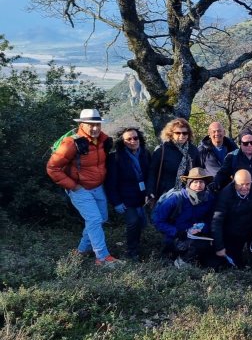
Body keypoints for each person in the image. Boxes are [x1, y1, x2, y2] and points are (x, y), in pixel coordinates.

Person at [47, 108, 121, 266]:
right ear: (81, 124)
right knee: (94, 219)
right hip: (79, 188)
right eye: (90, 125)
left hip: (97, 186)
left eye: (97, 124)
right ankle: (102, 257)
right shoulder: (71, 143)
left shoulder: (103, 140)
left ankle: (81, 251)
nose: (94, 128)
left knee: (101, 219)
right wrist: (73, 186)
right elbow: (52, 168)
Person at [211, 169, 252, 267]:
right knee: (233, 264)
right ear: (234, 183)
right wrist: (219, 247)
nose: (245, 187)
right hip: (233, 231)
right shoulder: (225, 194)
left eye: (247, 184)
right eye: (241, 184)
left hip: (251, 225)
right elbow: (217, 222)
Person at [152, 167, 216, 265]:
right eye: (195, 182)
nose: (199, 185)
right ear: (189, 183)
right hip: (174, 236)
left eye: (201, 182)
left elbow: (210, 220)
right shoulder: (175, 199)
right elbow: (157, 221)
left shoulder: (209, 198)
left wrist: (202, 227)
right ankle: (175, 259)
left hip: (196, 236)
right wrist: (176, 232)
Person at [106, 127, 152, 261]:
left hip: (143, 196)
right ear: (123, 142)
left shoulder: (145, 154)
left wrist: (150, 192)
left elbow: (149, 175)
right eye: (129, 139)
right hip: (126, 198)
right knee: (133, 222)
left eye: (135, 138)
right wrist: (116, 202)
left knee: (142, 224)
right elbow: (111, 182)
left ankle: (137, 245)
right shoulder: (115, 158)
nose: (133, 141)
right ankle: (132, 252)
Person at [147, 118, 201, 200]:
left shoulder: (193, 150)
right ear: (171, 134)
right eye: (178, 133)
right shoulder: (162, 151)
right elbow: (152, 173)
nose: (182, 135)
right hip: (166, 194)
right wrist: (150, 191)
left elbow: (198, 171)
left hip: (189, 195)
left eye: (185, 133)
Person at [213, 128, 252, 193]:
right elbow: (222, 174)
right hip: (241, 197)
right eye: (246, 143)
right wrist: (214, 184)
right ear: (240, 143)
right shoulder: (232, 157)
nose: (249, 145)